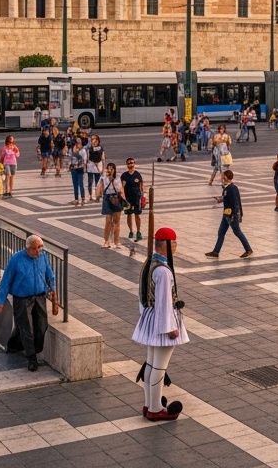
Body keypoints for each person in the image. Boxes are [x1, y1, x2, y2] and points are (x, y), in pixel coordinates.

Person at [133, 226, 189, 421]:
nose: (176, 246)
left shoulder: (150, 263)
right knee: (159, 367)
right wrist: (170, 328)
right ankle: (156, 409)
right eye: (174, 243)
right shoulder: (163, 271)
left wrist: (145, 317)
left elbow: (142, 295)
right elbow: (164, 302)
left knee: (151, 363)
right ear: (167, 245)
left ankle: (149, 404)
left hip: (150, 318)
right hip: (161, 321)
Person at [0, 235, 56, 371]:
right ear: (28, 248)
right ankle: (32, 359)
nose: (39, 251)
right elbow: (6, 281)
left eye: (40, 247)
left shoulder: (43, 256)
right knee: (27, 329)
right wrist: (0, 301)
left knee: (42, 326)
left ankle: (18, 344)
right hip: (22, 299)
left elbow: (49, 273)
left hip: (39, 296)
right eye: (36, 248)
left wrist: (53, 289)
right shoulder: (16, 259)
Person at [205, 170, 253, 258]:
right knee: (221, 232)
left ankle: (248, 249)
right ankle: (216, 252)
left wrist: (235, 216)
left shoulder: (232, 188)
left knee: (237, 232)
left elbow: (236, 203)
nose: (221, 178)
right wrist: (220, 199)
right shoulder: (226, 188)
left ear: (226, 178)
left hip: (232, 215)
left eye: (223, 176)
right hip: (226, 214)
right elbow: (226, 198)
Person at [93, 162, 125, 248]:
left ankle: (116, 241)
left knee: (117, 221)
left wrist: (124, 200)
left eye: (112, 168)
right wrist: (97, 194)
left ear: (114, 170)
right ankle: (106, 241)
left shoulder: (117, 178)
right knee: (108, 221)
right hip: (107, 198)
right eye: (109, 168)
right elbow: (99, 186)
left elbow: (120, 189)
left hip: (116, 198)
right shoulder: (103, 177)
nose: (110, 170)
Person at [121, 158, 145, 241]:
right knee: (129, 215)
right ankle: (131, 231)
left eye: (132, 163)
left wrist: (143, 196)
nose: (130, 165)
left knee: (137, 215)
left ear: (134, 164)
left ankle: (138, 231)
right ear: (126, 165)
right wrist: (123, 198)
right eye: (129, 163)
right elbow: (121, 187)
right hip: (128, 199)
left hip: (137, 198)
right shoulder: (124, 175)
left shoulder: (137, 174)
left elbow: (141, 186)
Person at [67, 141, 87, 206]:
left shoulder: (83, 151)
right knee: (75, 185)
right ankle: (76, 199)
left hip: (80, 169)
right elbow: (69, 159)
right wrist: (70, 166)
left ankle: (83, 198)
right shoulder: (71, 150)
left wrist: (82, 166)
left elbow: (85, 160)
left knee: (81, 184)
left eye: (80, 143)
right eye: (78, 143)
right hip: (74, 169)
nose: (79, 145)